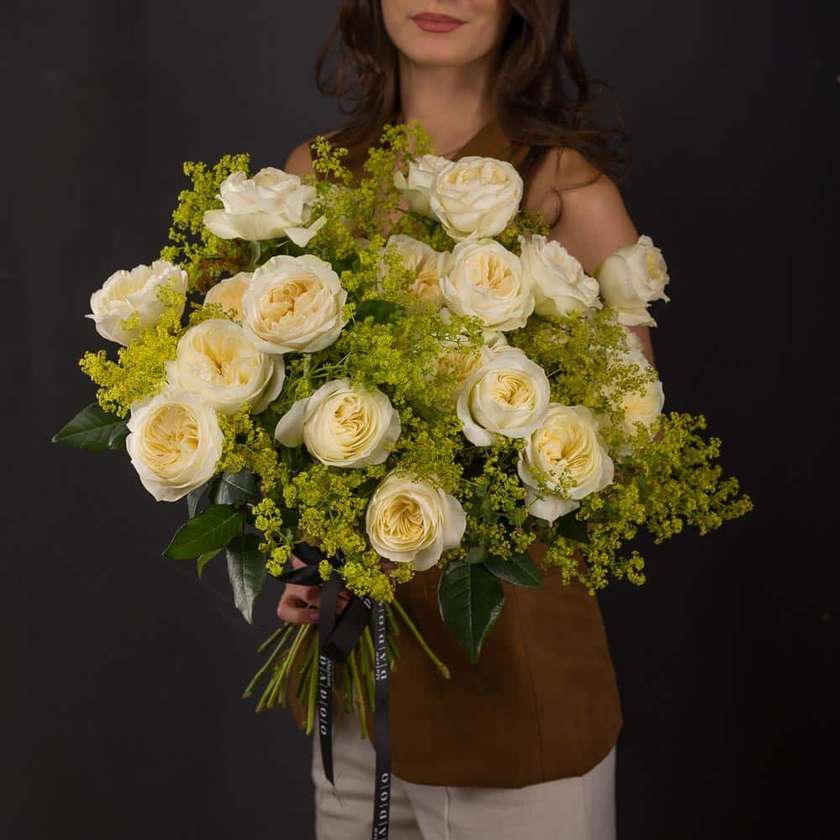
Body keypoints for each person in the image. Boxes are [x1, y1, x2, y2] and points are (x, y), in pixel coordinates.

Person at [278, 2, 656, 837]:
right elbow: (282, 409)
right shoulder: (315, 176)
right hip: (359, 690)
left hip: (513, 689)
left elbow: (632, 437)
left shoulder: (566, 188)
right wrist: (309, 549)